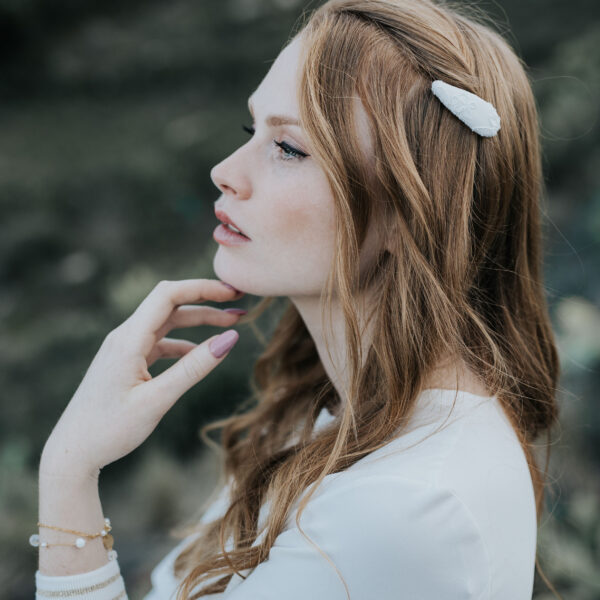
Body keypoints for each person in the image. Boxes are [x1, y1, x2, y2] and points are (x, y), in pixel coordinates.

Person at [33, 0, 561, 598]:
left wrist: (69, 473)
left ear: (412, 215)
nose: (224, 171)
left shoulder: (405, 508)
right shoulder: (335, 415)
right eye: (249, 130)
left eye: (289, 148)